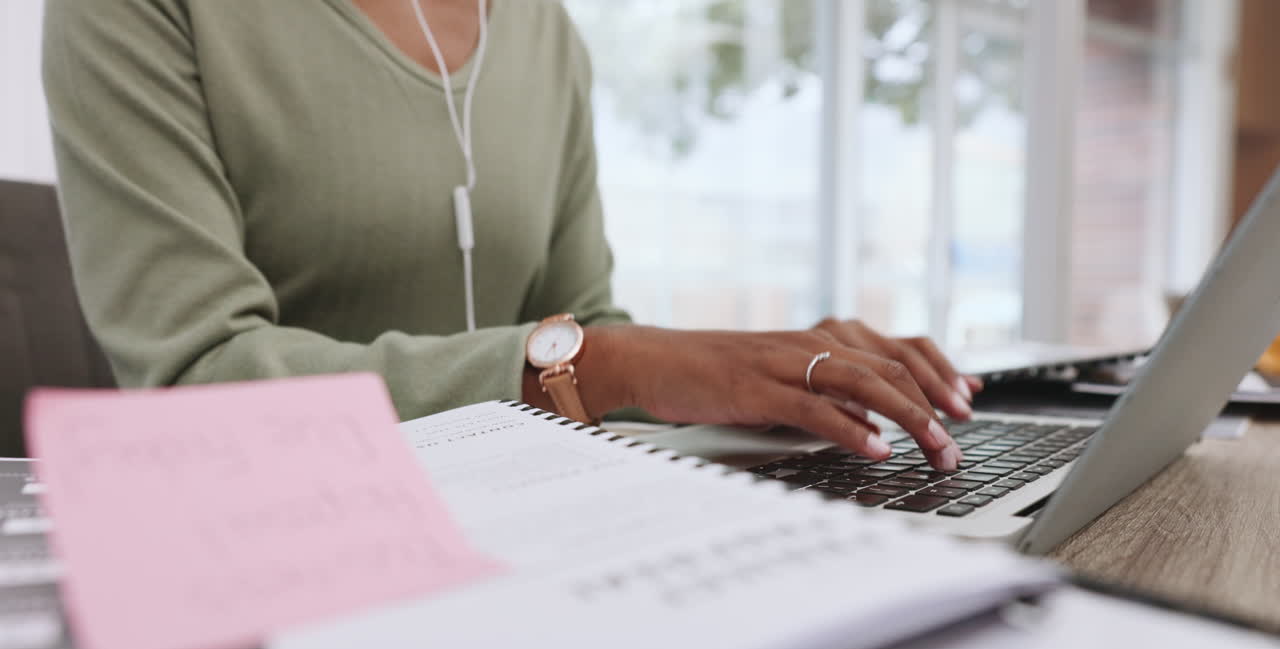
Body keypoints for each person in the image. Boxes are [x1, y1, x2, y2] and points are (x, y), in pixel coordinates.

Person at [43, 0, 979, 472]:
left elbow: (590, 323)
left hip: (535, 532)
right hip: (283, 555)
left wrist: (748, 386)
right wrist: (609, 364)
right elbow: (195, 378)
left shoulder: (540, 29)